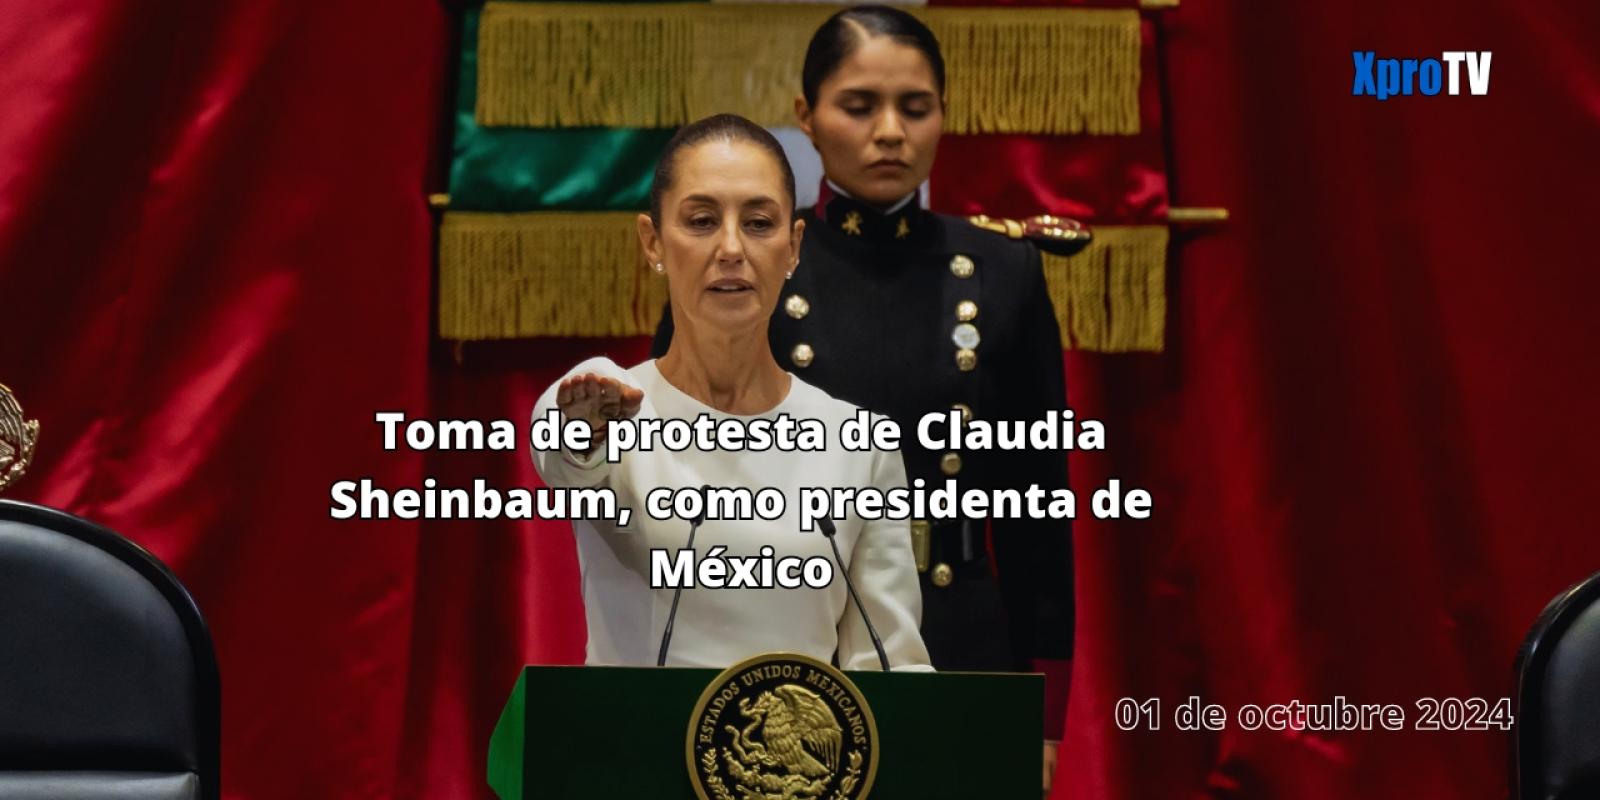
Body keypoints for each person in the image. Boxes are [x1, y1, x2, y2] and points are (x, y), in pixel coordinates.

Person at [651, 7, 1078, 789]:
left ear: (944, 114)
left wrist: (1043, 711)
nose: (890, 132)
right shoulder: (751, 263)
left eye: (915, 107)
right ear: (806, 116)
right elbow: (678, 475)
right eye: (859, 105)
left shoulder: (1001, 272)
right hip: (784, 635)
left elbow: (1036, 506)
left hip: (959, 635)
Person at [532, 114, 932, 672]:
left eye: (759, 223)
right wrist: (583, 431)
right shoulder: (610, 405)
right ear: (653, 241)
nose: (730, 248)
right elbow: (563, 455)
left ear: (793, 247)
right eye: (701, 221)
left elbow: (892, 666)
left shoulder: (859, 444)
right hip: (635, 730)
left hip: (796, 730)